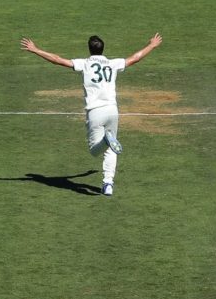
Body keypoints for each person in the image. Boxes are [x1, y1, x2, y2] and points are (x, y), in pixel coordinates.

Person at [20, 33, 162, 196]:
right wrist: (151, 45)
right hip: (112, 111)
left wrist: (36, 49)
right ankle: (108, 184)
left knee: (95, 150)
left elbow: (57, 59)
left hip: (95, 112)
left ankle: (107, 142)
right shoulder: (112, 63)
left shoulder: (85, 64)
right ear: (103, 49)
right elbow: (135, 58)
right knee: (111, 150)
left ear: (89, 50)